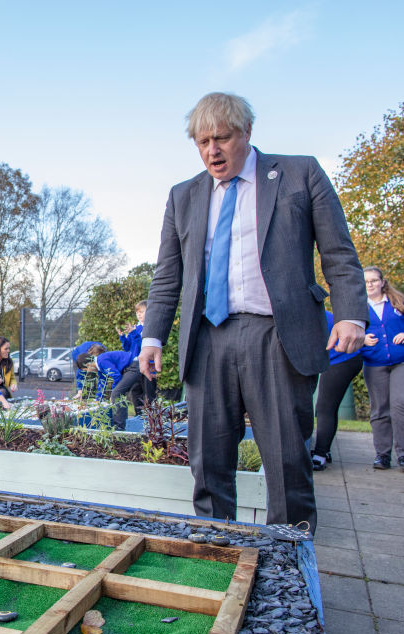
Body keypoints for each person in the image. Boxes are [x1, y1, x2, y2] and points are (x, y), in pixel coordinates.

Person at [138, 92, 366, 531]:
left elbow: (339, 252)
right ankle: (216, 550)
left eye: (222, 138)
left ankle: (289, 558)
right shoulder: (183, 195)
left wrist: (350, 314)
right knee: (208, 462)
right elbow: (168, 275)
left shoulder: (300, 174)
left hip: (278, 337)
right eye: (202, 142)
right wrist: (152, 337)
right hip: (207, 340)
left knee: (286, 460)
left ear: (246, 132)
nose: (212, 151)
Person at [361, 266, 404, 473]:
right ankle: (382, 455)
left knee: (402, 405)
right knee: (380, 409)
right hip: (375, 364)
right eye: (366, 281)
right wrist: (362, 339)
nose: (370, 284)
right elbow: (348, 332)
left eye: (374, 280)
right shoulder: (358, 306)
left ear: (382, 282)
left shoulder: (397, 301)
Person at [310, 309, 364, 471]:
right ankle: (324, 449)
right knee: (327, 408)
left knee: (325, 408)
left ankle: (320, 455)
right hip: (340, 357)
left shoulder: (307, 312)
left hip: (342, 359)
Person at [76, 350, 138, 429]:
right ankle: (126, 421)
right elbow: (102, 383)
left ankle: (119, 427)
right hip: (132, 365)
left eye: (86, 370)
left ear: (88, 365)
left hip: (133, 365)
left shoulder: (102, 361)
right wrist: (98, 400)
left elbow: (116, 376)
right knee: (123, 393)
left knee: (116, 395)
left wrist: (113, 393)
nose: (89, 372)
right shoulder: (99, 365)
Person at [117, 300, 156, 413]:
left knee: (149, 389)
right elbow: (128, 347)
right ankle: (139, 414)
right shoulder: (135, 328)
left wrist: (133, 333)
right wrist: (123, 338)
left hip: (148, 363)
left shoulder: (150, 328)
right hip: (134, 364)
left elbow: (143, 347)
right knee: (135, 390)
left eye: (142, 312)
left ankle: (151, 415)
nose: (139, 314)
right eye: (137, 312)